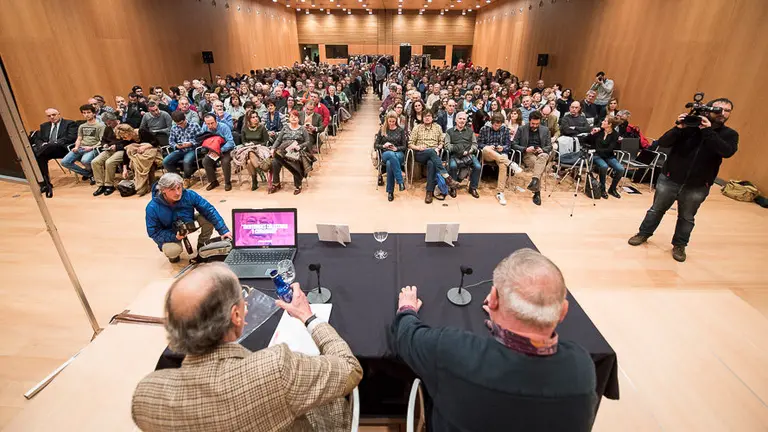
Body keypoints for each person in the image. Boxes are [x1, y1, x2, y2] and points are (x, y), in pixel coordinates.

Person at [133, 263, 362, 431]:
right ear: (236, 316)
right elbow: (350, 368)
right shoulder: (276, 369)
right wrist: (309, 317)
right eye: (243, 298)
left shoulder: (145, 398)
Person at [391, 249, 597, 432]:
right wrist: (503, 320)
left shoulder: (453, 351)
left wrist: (407, 308)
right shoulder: (582, 369)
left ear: (493, 299)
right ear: (563, 312)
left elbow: (406, 336)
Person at [628, 98, 738, 262]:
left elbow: (726, 151)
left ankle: (680, 245)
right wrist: (678, 128)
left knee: (687, 217)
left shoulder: (730, 134)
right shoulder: (690, 127)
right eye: (718, 109)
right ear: (708, 109)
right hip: (670, 178)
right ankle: (643, 233)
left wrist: (708, 131)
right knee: (656, 210)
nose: (722, 113)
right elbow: (663, 142)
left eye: (727, 110)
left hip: (698, 185)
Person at [144, 173, 231, 263]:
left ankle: (202, 245)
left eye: (179, 188)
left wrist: (223, 230)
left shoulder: (189, 195)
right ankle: (174, 255)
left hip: (189, 224)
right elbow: (153, 232)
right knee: (172, 251)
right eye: (172, 189)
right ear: (163, 190)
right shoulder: (152, 207)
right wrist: (174, 237)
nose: (177, 193)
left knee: (206, 218)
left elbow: (209, 210)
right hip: (171, 232)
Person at [408, 110, 458, 204]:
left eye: (429, 116)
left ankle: (429, 192)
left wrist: (439, 148)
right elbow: (410, 144)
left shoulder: (437, 127)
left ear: (432, 117)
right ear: (422, 118)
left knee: (431, 163)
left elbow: (441, 142)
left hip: (434, 153)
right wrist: (418, 147)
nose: (427, 118)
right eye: (425, 116)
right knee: (431, 152)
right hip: (420, 153)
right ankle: (447, 177)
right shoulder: (417, 128)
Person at [33, 108, 78, 197]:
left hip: (62, 149)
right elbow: (39, 138)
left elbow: (71, 137)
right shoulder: (44, 126)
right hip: (47, 150)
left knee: (38, 154)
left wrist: (54, 143)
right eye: (49, 116)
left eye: (54, 115)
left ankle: (42, 181)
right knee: (40, 157)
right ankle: (46, 184)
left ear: (59, 114)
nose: (52, 117)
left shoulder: (69, 123)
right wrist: (42, 144)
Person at [512, 111, 551, 206]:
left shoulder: (545, 130)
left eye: (537, 124)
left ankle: (534, 181)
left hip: (541, 154)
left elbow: (549, 146)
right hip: (528, 154)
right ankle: (537, 192)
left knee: (543, 157)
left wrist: (543, 149)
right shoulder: (522, 129)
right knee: (540, 166)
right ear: (529, 121)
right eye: (533, 123)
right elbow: (513, 144)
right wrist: (525, 149)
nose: (535, 126)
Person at [270, 109, 312, 195]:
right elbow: (278, 140)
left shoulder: (302, 129)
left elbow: (308, 141)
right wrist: (273, 148)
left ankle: (298, 185)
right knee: (275, 162)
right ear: (289, 118)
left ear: (298, 119)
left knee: (294, 162)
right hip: (283, 150)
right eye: (292, 116)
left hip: (295, 150)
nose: (293, 118)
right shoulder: (285, 127)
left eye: (295, 117)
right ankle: (276, 183)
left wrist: (299, 146)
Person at [479, 113, 517, 206]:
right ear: (492, 123)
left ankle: (500, 193)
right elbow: (479, 144)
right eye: (495, 125)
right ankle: (510, 163)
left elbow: (508, 145)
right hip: (487, 153)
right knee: (487, 149)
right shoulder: (484, 129)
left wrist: (502, 148)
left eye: (499, 125)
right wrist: (488, 146)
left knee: (503, 164)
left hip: (500, 154)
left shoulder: (505, 129)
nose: (497, 127)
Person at [61, 104, 105, 184]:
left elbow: (102, 140)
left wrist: (91, 147)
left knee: (85, 160)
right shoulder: (82, 126)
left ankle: (92, 174)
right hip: (81, 147)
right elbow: (79, 138)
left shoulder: (100, 126)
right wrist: (76, 147)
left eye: (88, 112)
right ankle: (89, 174)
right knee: (64, 162)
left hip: (93, 148)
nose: (86, 115)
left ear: (94, 113)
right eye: (84, 113)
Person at [584, 116, 624, 199]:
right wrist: (592, 133)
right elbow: (586, 140)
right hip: (597, 156)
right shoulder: (599, 132)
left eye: (605, 121)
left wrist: (596, 150)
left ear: (609, 125)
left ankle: (612, 189)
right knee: (604, 166)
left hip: (608, 156)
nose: (602, 122)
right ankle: (602, 189)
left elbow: (610, 149)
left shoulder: (615, 134)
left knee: (620, 169)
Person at [446, 111, 481, 198]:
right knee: (453, 166)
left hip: (468, 154)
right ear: (456, 120)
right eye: (460, 118)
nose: (462, 121)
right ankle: (453, 188)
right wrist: (458, 149)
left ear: (466, 121)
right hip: (455, 155)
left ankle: (473, 188)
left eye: (464, 119)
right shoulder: (449, 131)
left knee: (477, 166)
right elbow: (447, 146)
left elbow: (475, 144)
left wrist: (470, 151)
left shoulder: (470, 131)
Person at [121, 124, 162, 196]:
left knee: (148, 164)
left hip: (151, 152)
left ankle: (152, 185)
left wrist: (145, 147)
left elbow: (156, 142)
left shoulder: (142, 132)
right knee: (132, 157)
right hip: (138, 155)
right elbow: (126, 154)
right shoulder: (127, 140)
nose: (123, 138)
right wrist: (124, 169)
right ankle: (143, 186)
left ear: (129, 133)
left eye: (124, 136)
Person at [375, 110, 408, 201]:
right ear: (387, 120)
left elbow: (405, 146)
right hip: (386, 153)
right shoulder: (382, 130)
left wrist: (396, 148)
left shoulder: (400, 130)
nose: (391, 123)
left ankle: (390, 192)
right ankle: (400, 181)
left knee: (390, 163)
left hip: (398, 153)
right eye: (390, 121)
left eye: (393, 121)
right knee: (390, 155)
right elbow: (375, 145)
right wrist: (383, 145)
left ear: (396, 120)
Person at [163, 111, 203, 184]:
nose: (180, 125)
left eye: (181, 123)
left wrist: (191, 143)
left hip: (192, 149)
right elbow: (171, 141)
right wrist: (176, 146)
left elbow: (201, 139)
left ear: (185, 118)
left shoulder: (194, 125)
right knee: (165, 161)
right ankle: (179, 178)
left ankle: (187, 178)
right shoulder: (174, 127)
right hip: (180, 150)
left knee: (186, 161)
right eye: (178, 124)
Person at [200, 113, 236, 191]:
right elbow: (203, 139)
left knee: (225, 162)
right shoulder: (205, 128)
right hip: (213, 149)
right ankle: (213, 181)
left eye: (212, 123)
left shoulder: (224, 127)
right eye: (208, 124)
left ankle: (227, 182)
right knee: (206, 161)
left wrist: (220, 150)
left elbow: (230, 142)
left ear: (216, 121)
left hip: (226, 149)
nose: (210, 125)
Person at [90, 113, 123, 196]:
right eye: (106, 123)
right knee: (95, 162)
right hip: (109, 149)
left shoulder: (124, 126)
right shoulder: (107, 128)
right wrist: (104, 144)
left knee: (109, 162)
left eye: (109, 123)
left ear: (114, 120)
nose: (108, 125)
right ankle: (101, 185)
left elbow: (129, 142)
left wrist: (117, 146)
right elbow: (103, 140)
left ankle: (109, 185)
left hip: (121, 150)